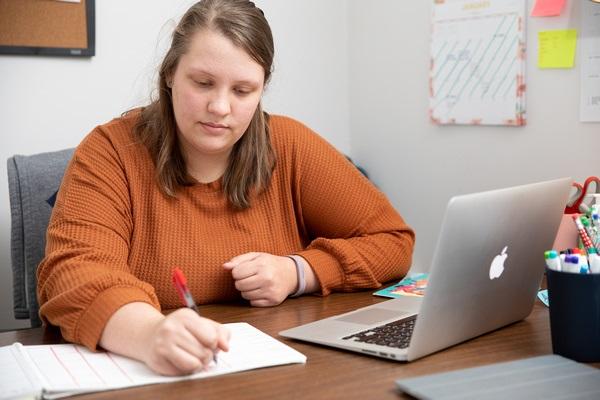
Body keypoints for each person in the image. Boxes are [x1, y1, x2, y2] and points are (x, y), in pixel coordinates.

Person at [37, 0, 415, 376]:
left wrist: (299, 271)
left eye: (243, 90)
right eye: (203, 83)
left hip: (272, 373)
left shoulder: (289, 145)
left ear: (262, 88)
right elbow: (74, 272)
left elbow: (392, 240)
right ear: (170, 74)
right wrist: (150, 333)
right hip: (153, 374)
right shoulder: (111, 151)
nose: (220, 106)